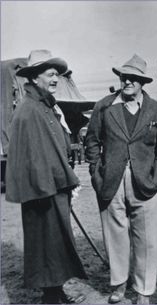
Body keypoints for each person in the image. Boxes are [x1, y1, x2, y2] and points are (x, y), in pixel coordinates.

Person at [5, 50, 87, 304]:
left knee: (56, 243)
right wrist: (55, 185)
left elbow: (55, 148)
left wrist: (65, 181)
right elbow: (29, 158)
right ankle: (50, 297)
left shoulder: (44, 106)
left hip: (54, 188)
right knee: (46, 245)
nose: (55, 79)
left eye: (57, 76)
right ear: (35, 77)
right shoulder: (29, 110)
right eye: (51, 74)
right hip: (42, 193)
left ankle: (56, 292)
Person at [85, 54, 157, 304]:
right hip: (111, 180)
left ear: (143, 82)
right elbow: (92, 141)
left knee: (147, 239)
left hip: (146, 183)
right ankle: (119, 283)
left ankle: (143, 290)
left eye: (133, 78)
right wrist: (96, 170)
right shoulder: (104, 107)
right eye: (124, 77)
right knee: (115, 234)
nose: (127, 81)